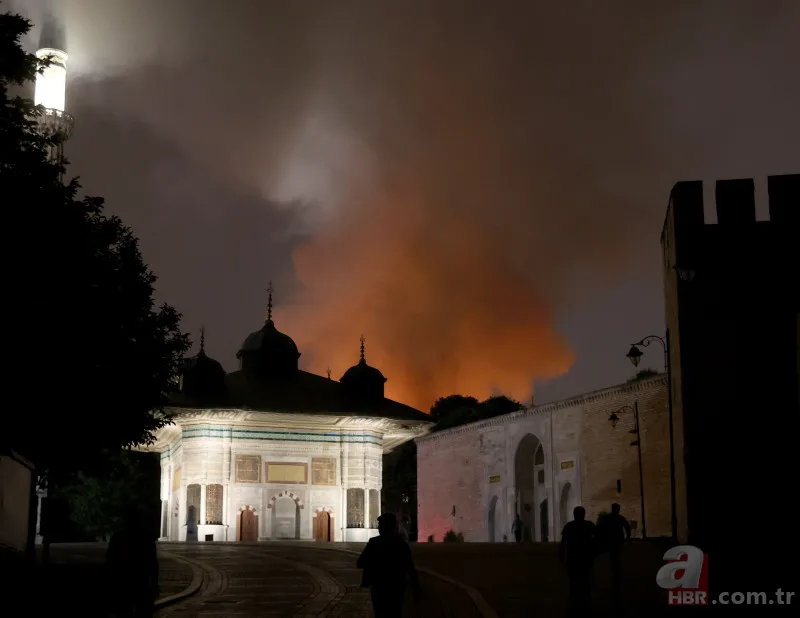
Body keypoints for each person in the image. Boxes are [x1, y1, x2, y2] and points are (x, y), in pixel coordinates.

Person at [357, 512, 420, 618]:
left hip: (379, 587)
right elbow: (410, 566)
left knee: (380, 613)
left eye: (380, 525)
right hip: (396, 587)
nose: (378, 528)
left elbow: (360, 562)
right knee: (395, 613)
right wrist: (416, 586)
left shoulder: (374, 542)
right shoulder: (401, 543)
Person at [106, 504, 160, 617]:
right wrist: (154, 584)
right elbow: (153, 564)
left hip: (124, 584)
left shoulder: (118, 537)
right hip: (139, 584)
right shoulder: (146, 538)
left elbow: (110, 562)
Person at [559, 506, 596, 616]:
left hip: (574, 558)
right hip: (585, 558)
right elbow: (597, 538)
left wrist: (561, 554)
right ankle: (584, 602)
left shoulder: (569, 526)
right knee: (585, 580)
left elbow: (563, 542)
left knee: (574, 581)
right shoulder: (589, 525)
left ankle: (576, 602)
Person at [600, 503, 631, 607]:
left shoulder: (608, 518)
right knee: (616, 555)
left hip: (611, 540)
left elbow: (601, 528)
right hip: (617, 539)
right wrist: (628, 537)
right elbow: (627, 527)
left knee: (613, 555)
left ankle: (615, 569)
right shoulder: (620, 518)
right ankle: (617, 571)